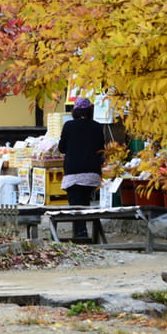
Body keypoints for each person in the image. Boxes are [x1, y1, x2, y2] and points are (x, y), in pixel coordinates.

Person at [58, 97, 106, 239]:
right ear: (90, 111)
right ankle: (85, 232)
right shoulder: (97, 127)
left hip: (73, 171)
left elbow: (62, 148)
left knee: (75, 204)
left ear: (75, 111)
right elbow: (101, 149)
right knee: (85, 201)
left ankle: (81, 233)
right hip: (92, 172)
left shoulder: (69, 126)